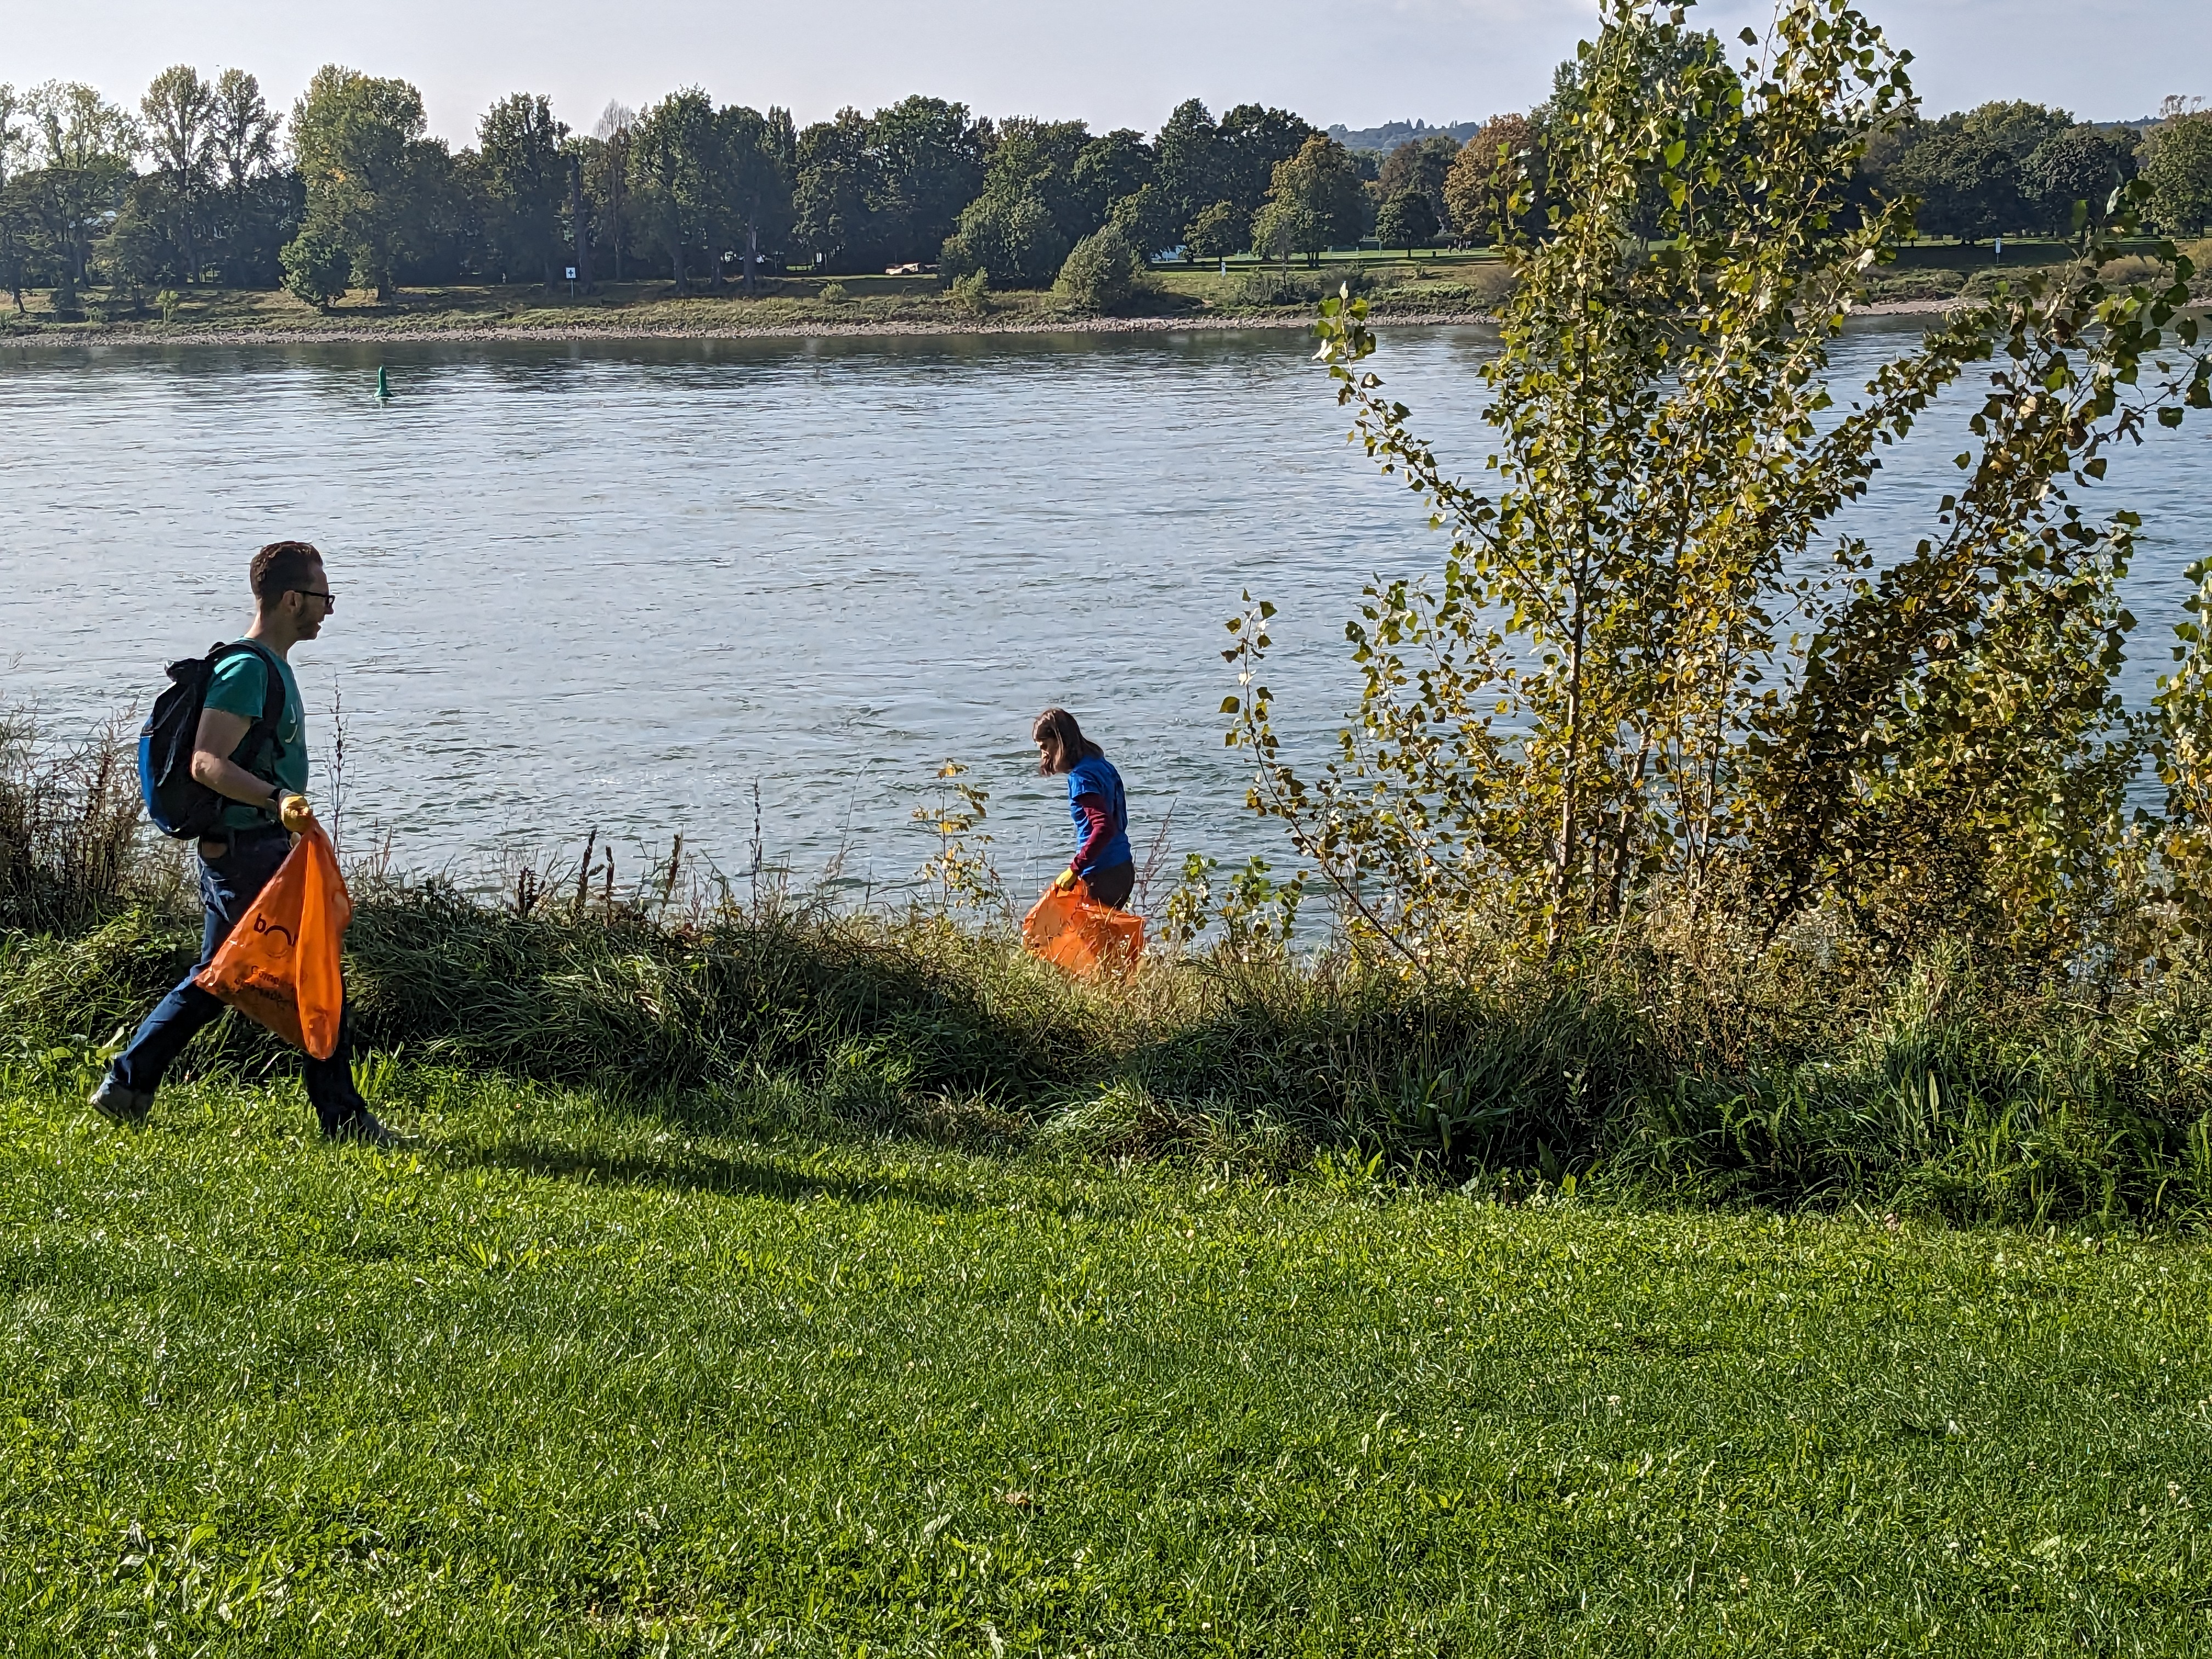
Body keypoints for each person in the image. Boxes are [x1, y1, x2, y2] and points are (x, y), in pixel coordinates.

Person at [91, 540, 402, 1146]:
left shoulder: (268, 667)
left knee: (217, 978)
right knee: (313, 975)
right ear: (292, 599)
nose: (327, 611)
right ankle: (343, 1119)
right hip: (244, 850)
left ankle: (126, 1085)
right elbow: (208, 762)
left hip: (255, 848)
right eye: (322, 598)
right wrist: (277, 800)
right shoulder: (247, 670)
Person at [1033, 707, 1135, 910]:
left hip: (1101, 873)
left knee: (1084, 939)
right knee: (1106, 938)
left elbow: (1104, 827)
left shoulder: (1081, 777)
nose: (1044, 753)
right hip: (1123, 866)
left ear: (1059, 741)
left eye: (1045, 746)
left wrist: (1075, 869)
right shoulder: (1102, 765)